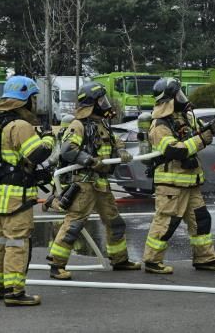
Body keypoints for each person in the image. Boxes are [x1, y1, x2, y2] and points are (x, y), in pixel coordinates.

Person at [48, 82, 140, 280]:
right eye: (101, 100)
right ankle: (56, 264)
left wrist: (121, 150)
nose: (105, 104)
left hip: (101, 184)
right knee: (74, 224)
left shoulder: (102, 124)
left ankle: (119, 260)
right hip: (84, 184)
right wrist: (90, 161)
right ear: (91, 104)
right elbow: (68, 150)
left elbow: (115, 141)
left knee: (115, 222)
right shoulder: (78, 125)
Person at [143, 77, 215, 274]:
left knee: (201, 220)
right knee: (166, 223)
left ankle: (205, 258)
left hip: (190, 183)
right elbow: (175, 150)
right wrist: (202, 139)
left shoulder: (186, 118)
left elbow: (199, 132)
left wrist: (211, 128)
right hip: (171, 184)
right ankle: (152, 261)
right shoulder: (159, 125)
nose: (183, 98)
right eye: (178, 95)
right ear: (169, 100)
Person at [0, 76, 55, 306]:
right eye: (33, 98)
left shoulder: (1, 123)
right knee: (17, 243)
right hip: (16, 197)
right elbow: (38, 154)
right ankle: (15, 292)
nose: (35, 103)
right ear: (26, 100)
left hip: (0, 195)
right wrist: (49, 139)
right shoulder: (21, 126)